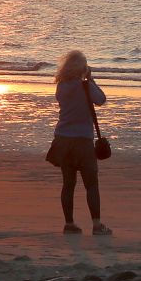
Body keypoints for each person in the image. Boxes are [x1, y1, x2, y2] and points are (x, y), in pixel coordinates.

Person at [45, 50, 112, 235]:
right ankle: (97, 225)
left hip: (63, 139)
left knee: (68, 184)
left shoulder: (61, 86)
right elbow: (101, 99)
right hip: (82, 140)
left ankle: (69, 223)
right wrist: (90, 80)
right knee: (91, 184)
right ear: (81, 68)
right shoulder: (85, 86)